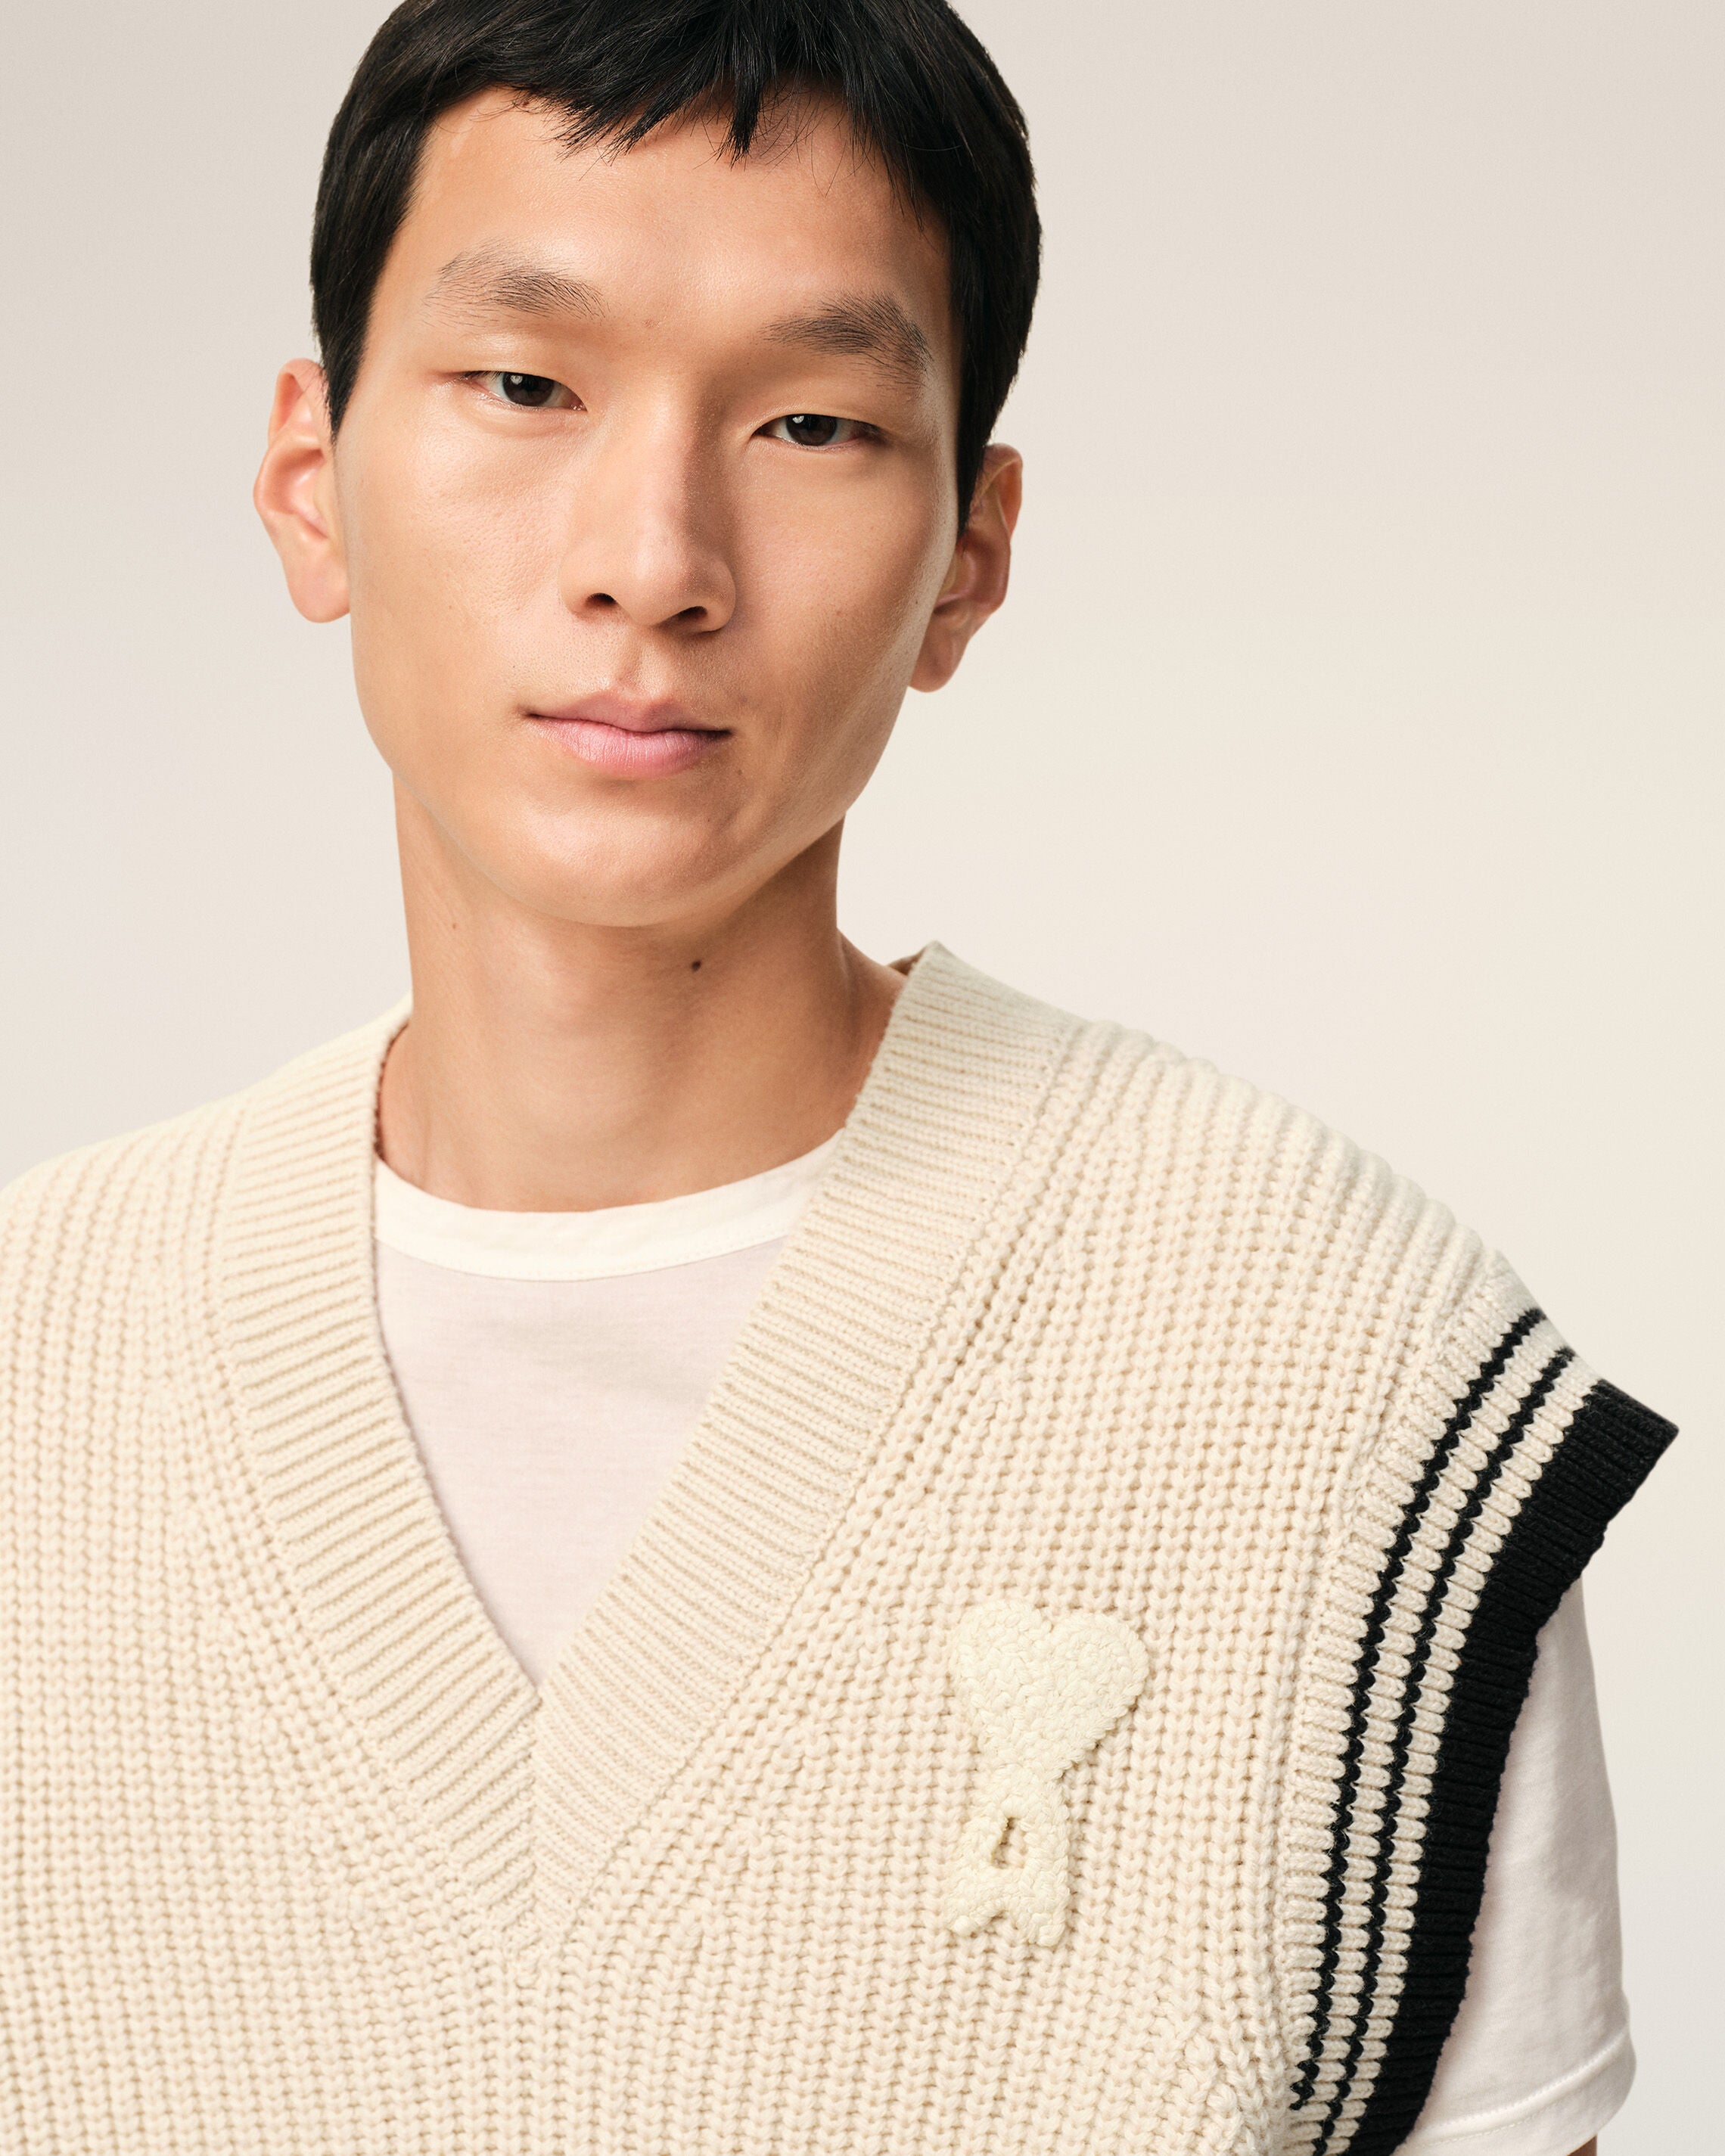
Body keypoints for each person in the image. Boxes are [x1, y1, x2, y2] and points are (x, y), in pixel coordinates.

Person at [0, 2, 1674, 2151]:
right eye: (525, 385)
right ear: (309, 483)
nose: (653, 559)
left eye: (812, 422)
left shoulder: (1342, 1381)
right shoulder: (38, 1368)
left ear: (969, 554)